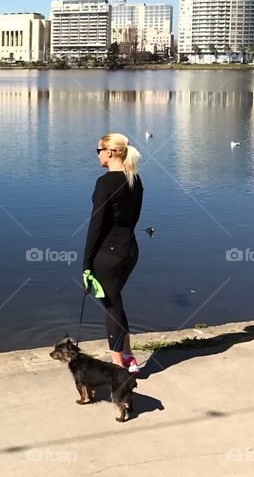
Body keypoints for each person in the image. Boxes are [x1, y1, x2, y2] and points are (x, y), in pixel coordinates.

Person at [82, 132, 143, 373]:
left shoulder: (105, 182)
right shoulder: (135, 180)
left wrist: (86, 263)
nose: (97, 155)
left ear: (109, 152)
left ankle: (117, 364)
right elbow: (134, 218)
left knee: (111, 305)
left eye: (98, 150)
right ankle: (129, 358)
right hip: (129, 251)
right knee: (116, 301)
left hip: (107, 255)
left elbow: (96, 225)